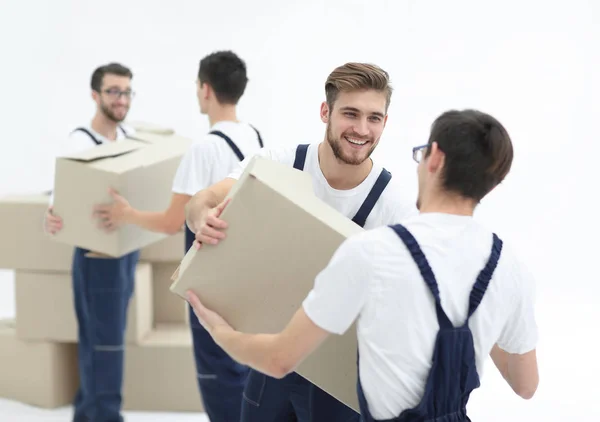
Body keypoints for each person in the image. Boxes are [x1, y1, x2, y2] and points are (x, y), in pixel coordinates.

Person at [186, 109, 540, 421]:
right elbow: (526, 385)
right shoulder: (510, 268)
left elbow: (280, 360)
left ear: (434, 159)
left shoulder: (372, 251)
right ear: (492, 184)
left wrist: (221, 333)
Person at [184, 62, 418, 422]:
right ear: (325, 112)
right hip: (270, 357)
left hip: (340, 379)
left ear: (385, 123)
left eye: (374, 118)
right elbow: (205, 199)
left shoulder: (395, 206)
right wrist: (202, 214)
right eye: (350, 114)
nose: (361, 129)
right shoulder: (279, 164)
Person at [91, 50, 264, 422]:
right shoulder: (255, 137)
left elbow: (173, 222)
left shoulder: (203, 149)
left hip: (211, 281)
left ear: (204, 89)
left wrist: (126, 214)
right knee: (247, 370)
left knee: (218, 376)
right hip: (249, 275)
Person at [43, 62, 138, 422]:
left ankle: (87, 414)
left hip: (125, 250)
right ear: (95, 95)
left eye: (127, 91)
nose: (122, 99)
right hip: (97, 256)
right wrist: (53, 212)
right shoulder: (81, 141)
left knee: (101, 342)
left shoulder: (129, 137)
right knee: (105, 346)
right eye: (114, 91)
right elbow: (62, 195)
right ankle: (104, 416)